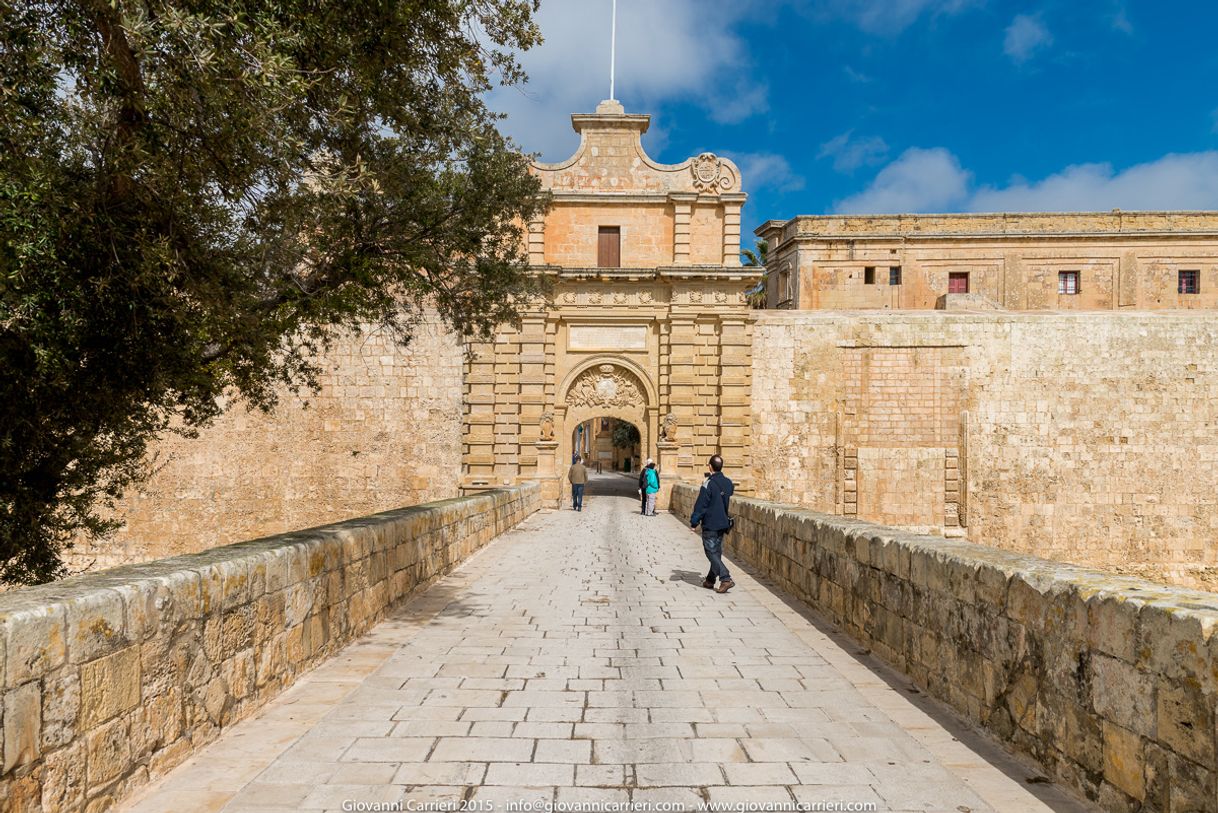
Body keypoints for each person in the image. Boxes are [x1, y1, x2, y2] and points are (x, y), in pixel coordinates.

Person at [690, 454, 735, 593]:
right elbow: (730, 492)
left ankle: (725, 578)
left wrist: (694, 522)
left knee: (710, 552)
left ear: (710, 466)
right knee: (716, 552)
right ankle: (710, 580)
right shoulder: (728, 482)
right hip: (723, 523)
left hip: (710, 523)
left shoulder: (708, 483)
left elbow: (701, 505)